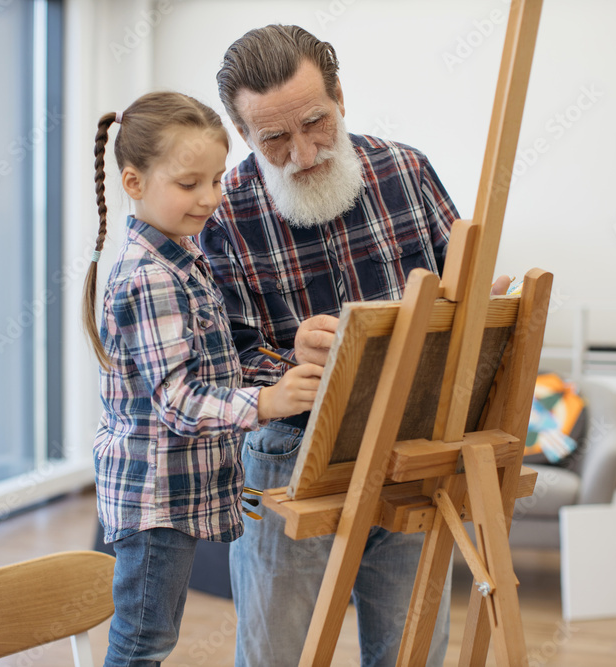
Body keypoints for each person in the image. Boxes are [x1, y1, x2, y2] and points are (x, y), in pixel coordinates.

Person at [198, 25, 508, 666]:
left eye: (316, 123)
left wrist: (480, 303)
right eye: (275, 139)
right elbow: (218, 364)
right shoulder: (222, 214)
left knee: (410, 651)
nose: (304, 153)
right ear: (243, 135)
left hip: (413, 447)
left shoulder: (407, 169)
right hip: (290, 460)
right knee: (276, 654)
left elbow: (460, 289)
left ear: (341, 96)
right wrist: (289, 359)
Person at [82, 91, 323, 666]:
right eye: (189, 184)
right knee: (143, 641)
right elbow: (180, 401)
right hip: (154, 497)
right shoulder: (152, 278)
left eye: (216, 180)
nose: (211, 198)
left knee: (150, 635)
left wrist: (288, 361)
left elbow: (213, 366)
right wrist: (266, 403)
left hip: (174, 489)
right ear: (134, 183)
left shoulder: (181, 260)